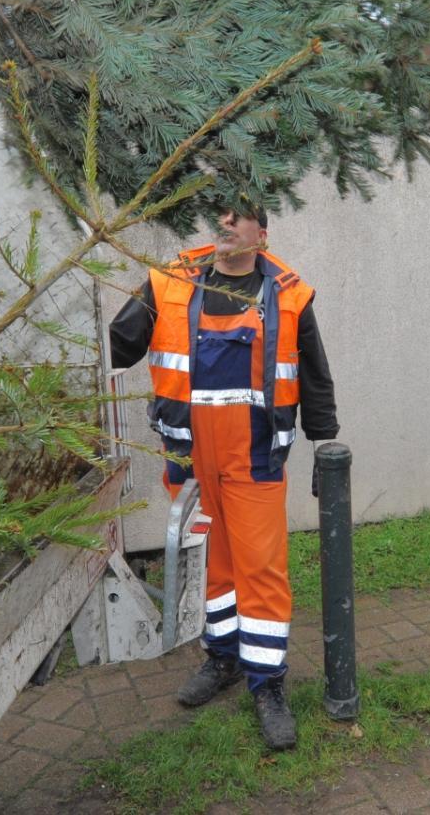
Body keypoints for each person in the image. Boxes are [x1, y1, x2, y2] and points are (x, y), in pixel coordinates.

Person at [108, 204, 338, 751]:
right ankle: (223, 657)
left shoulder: (288, 294)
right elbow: (112, 347)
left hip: (255, 457)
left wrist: (324, 443)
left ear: (262, 233)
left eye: (240, 218)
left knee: (260, 569)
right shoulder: (168, 283)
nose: (226, 224)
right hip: (189, 461)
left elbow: (313, 375)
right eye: (221, 216)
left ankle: (268, 684)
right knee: (214, 563)